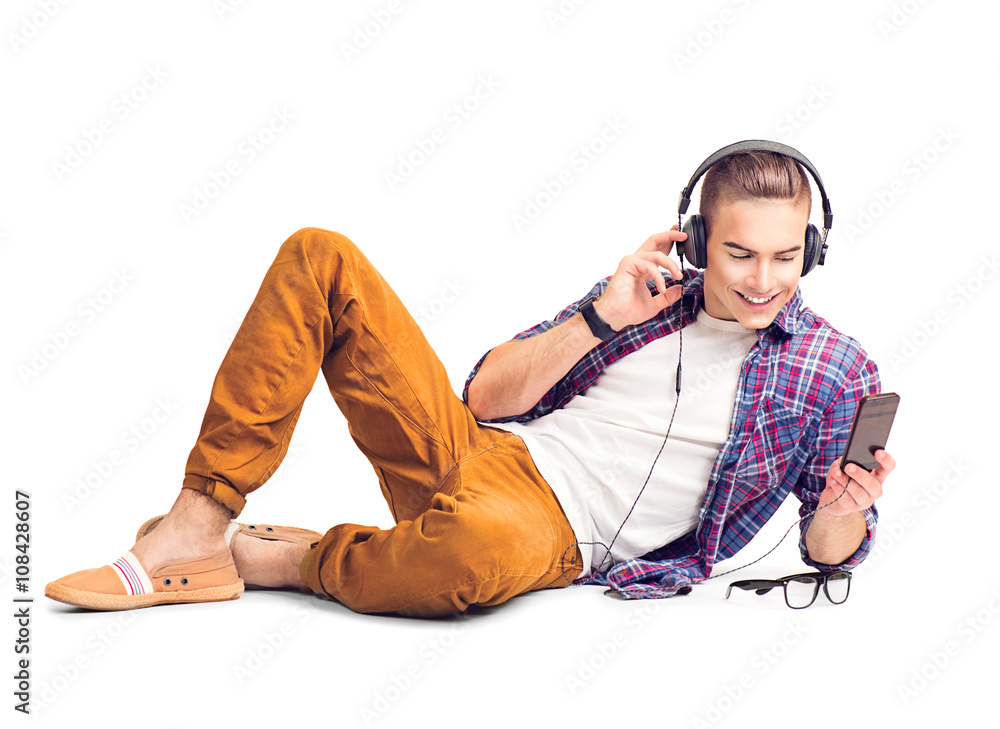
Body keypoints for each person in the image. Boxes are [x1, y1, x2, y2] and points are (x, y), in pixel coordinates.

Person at [46, 141, 895, 617]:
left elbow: (828, 553)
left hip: (548, 531)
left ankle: (285, 561)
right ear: (698, 236)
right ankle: (199, 526)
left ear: (812, 251)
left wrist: (840, 512)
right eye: (740, 252)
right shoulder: (645, 297)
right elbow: (484, 398)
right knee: (319, 255)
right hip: (483, 452)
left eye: (787, 257)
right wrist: (604, 316)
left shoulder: (835, 371)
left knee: (470, 551)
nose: (761, 279)